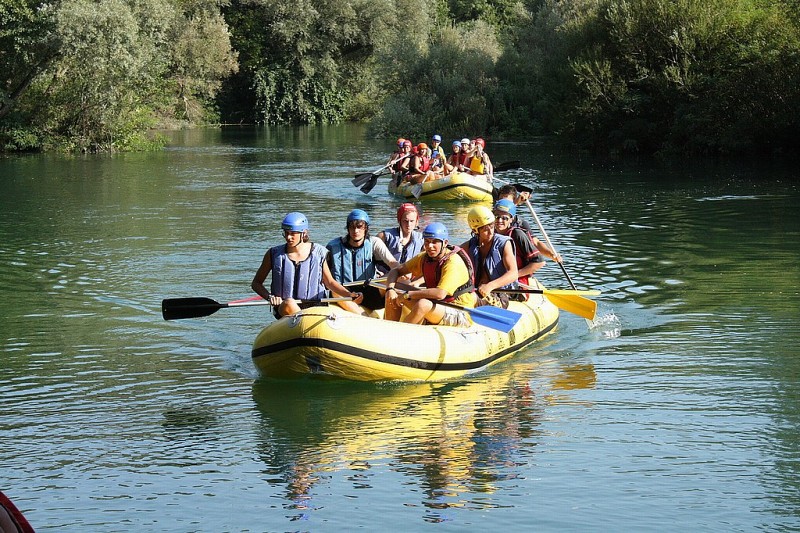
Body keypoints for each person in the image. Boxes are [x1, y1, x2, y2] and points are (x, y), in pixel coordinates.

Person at [251, 212, 363, 318]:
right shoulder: (273, 254)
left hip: (314, 308)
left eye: (292, 234)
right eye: (286, 233)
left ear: (304, 233)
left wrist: (349, 294)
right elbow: (256, 283)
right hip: (285, 309)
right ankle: (302, 321)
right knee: (289, 302)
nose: (288, 237)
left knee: (337, 296)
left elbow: (329, 282)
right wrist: (270, 297)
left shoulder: (318, 253)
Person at [384, 222, 476, 327]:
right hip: (438, 304)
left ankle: (400, 334)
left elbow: (440, 294)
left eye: (435, 242)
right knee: (393, 292)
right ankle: (390, 326)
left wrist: (407, 295)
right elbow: (395, 271)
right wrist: (389, 290)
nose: (430, 246)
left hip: (459, 311)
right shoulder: (424, 257)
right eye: (427, 242)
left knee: (423, 304)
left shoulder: (453, 262)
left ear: (445, 243)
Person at [327, 209, 398, 312]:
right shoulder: (333, 246)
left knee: (394, 278)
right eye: (352, 227)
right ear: (348, 228)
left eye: (359, 227)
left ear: (366, 228)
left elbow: (392, 262)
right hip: (345, 290)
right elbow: (325, 277)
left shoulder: (374, 243)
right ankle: (362, 316)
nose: (356, 231)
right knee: (334, 291)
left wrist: (401, 269)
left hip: (369, 290)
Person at [492, 199, 560, 291]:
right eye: (496, 216)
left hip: (516, 283)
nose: (499, 220)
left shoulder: (517, 234)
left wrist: (513, 276)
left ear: (511, 219)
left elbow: (539, 262)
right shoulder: (490, 234)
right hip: (494, 280)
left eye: (504, 218)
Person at [459, 205, 518, 307]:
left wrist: (490, 286)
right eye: (485, 229)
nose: (490, 231)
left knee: (469, 298)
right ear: (475, 231)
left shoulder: (504, 243)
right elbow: (452, 255)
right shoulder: (470, 245)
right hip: (477, 290)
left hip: (501, 294)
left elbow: (513, 273)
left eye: (491, 225)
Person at [377, 203, 424, 267]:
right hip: (386, 274)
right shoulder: (384, 236)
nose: (408, 224)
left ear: (416, 222)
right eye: (405, 221)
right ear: (399, 221)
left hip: (409, 274)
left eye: (412, 221)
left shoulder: (421, 239)